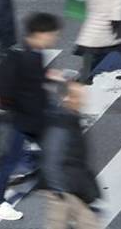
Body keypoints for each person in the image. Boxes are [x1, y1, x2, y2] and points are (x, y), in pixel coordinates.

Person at [0, 12, 62, 222]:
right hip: (27, 120)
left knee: (43, 154)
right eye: (52, 34)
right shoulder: (30, 58)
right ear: (40, 34)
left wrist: (48, 76)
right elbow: (26, 90)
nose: (55, 38)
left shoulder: (31, 54)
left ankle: (54, 185)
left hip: (28, 119)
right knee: (11, 162)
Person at [40, 81, 101, 229]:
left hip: (72, 187)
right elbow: (51, 161)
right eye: (78, 97)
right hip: (64, 190)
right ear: (67, 98)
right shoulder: (61, 124)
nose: (81, 101)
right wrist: (59, 191)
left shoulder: (70, 118)